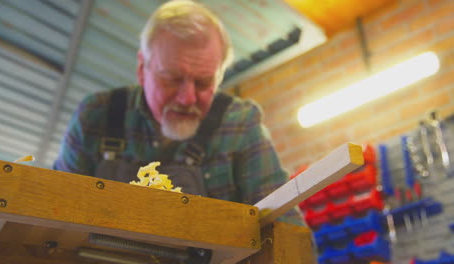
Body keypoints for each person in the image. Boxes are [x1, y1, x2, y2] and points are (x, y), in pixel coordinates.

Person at [54, 0, 304, 225]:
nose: (187, 98)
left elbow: (286, 230)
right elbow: (50, 212)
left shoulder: (239, 124)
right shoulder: (96, 116)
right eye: (172, 79)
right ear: (142, 69)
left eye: (204, 83)